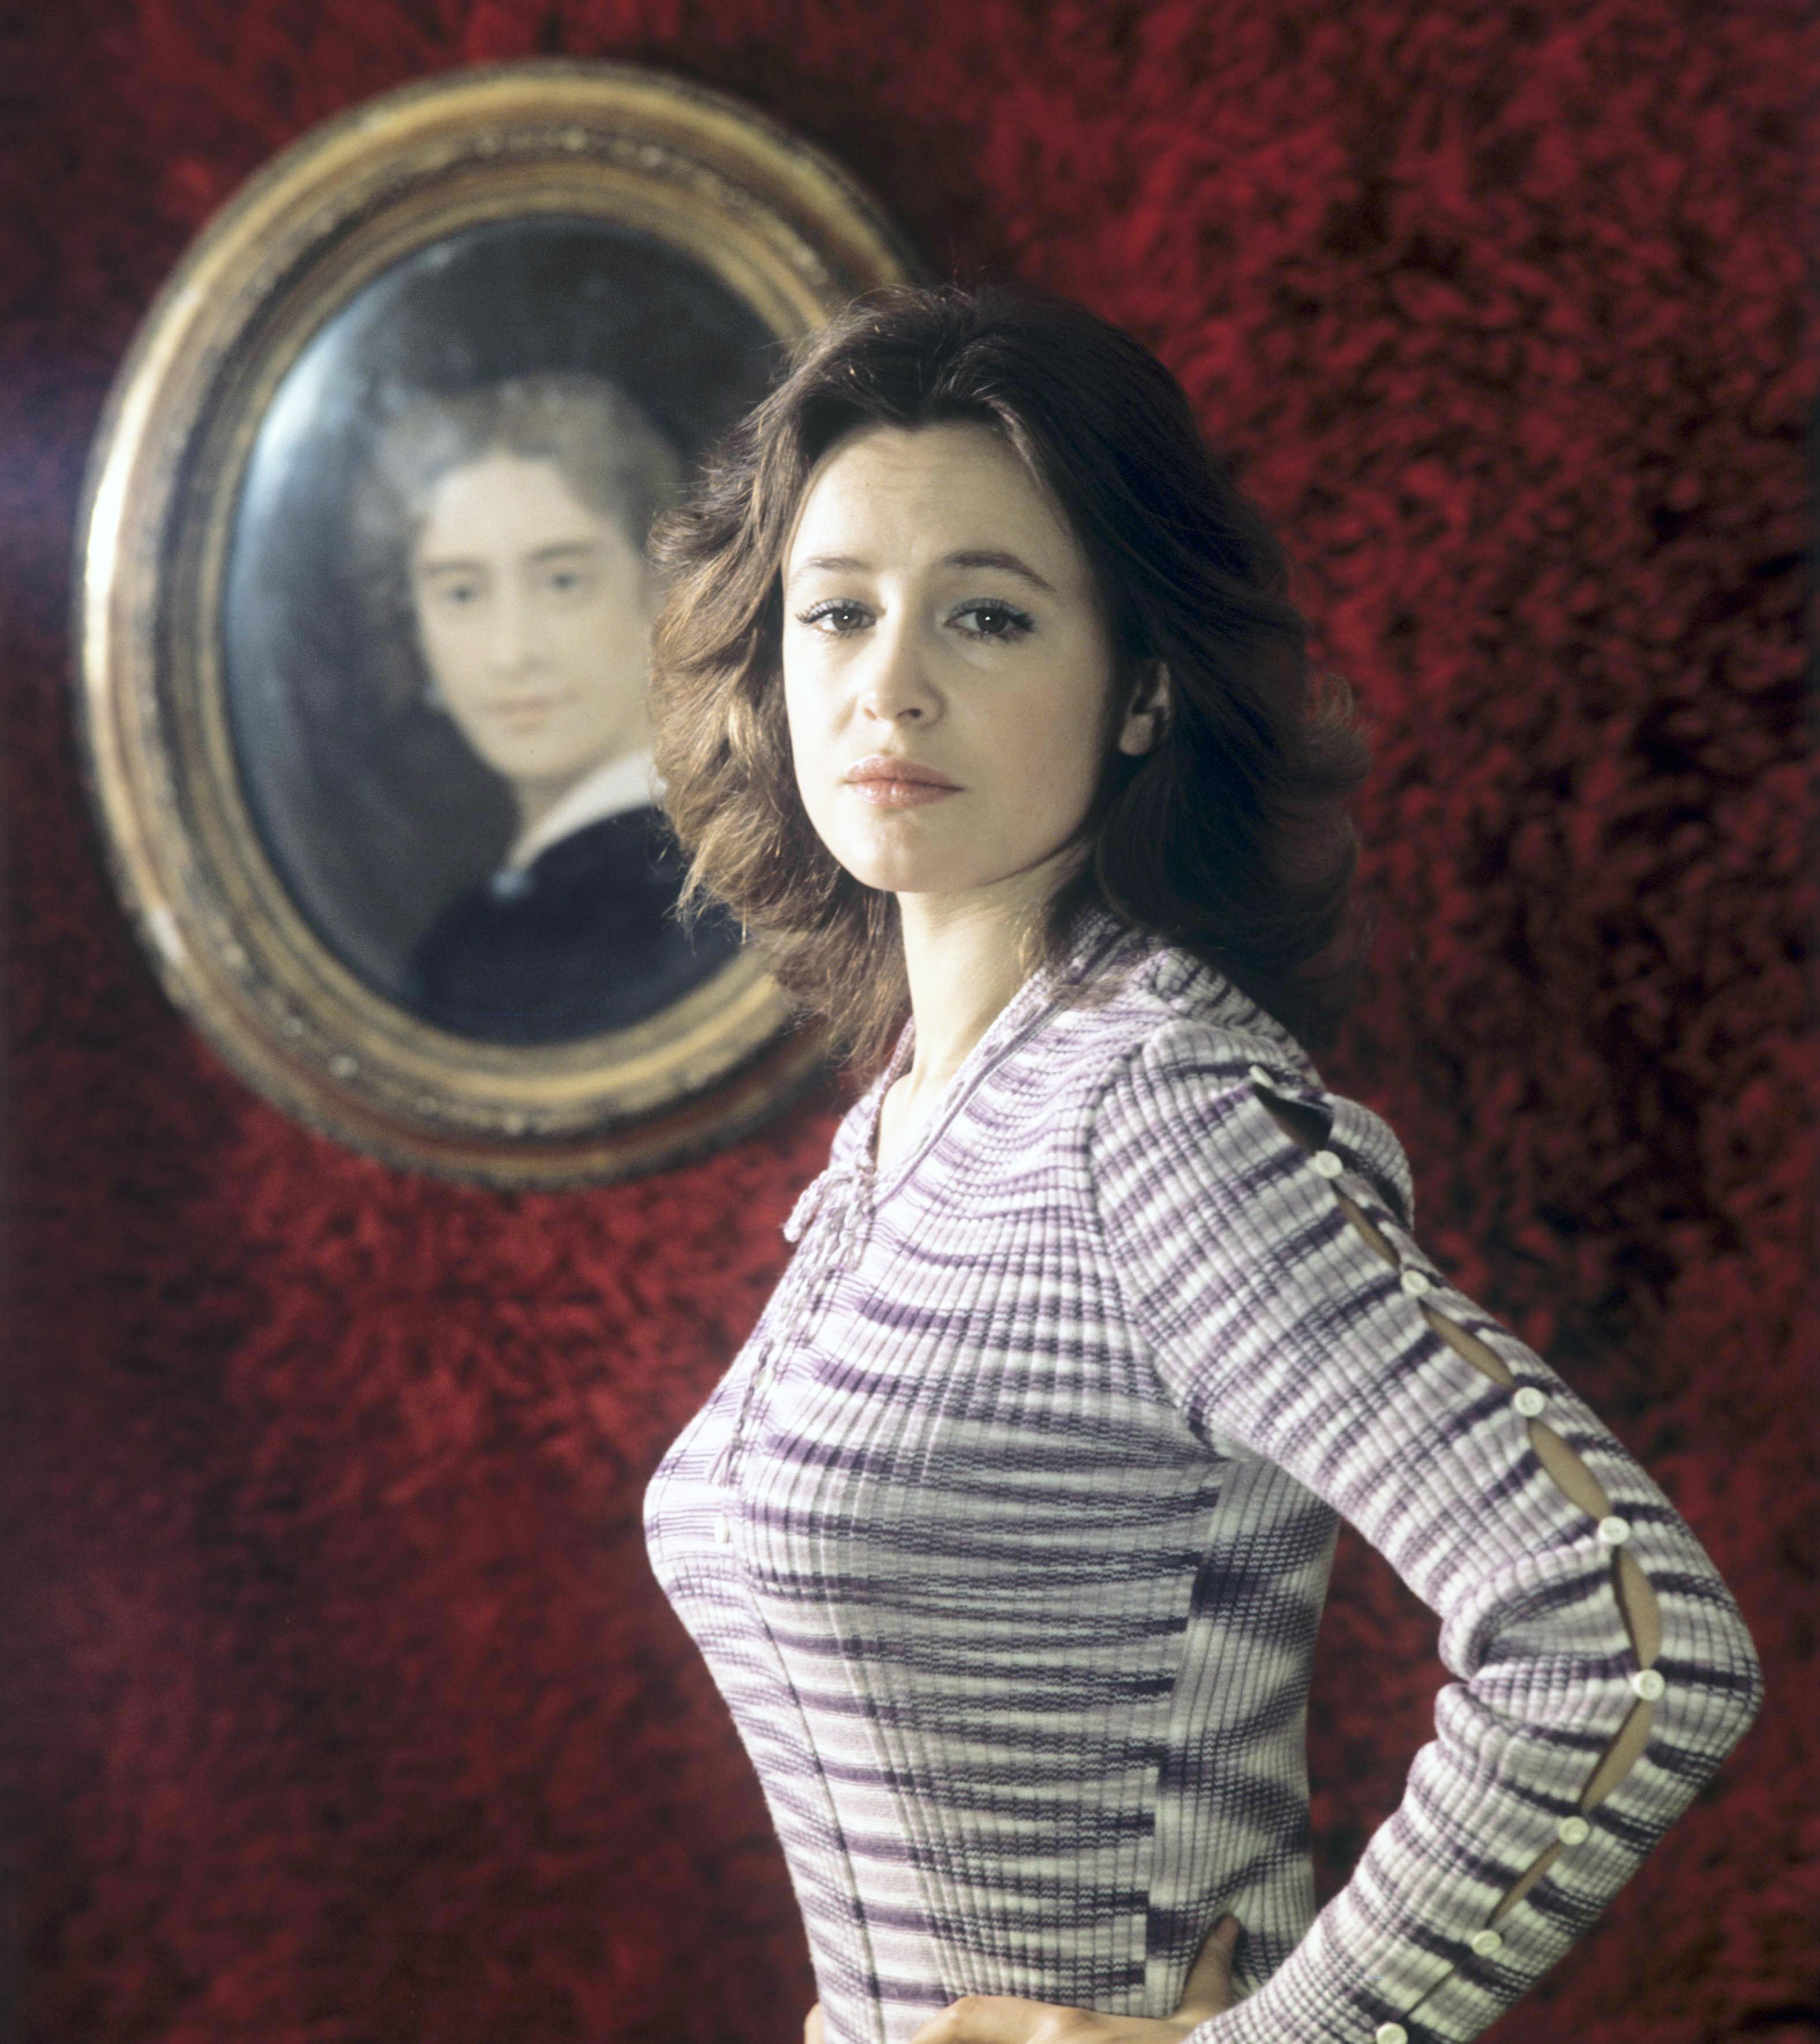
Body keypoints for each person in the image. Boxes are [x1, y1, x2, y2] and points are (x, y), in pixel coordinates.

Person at [639, 286, 1762, 2044]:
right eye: (837, 610)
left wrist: (1276, 2039)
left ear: (1142, 691)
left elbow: (1626, 1641)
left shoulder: (1149, 1110)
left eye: (988, 615)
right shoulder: (900, 1136)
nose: (889, 682)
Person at [352, 371, 744, 1044]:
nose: (512, 653)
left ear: (660, 592)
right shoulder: (504, 920)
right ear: (412, 621)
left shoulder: (671, 901)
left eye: (562, 582)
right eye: (461, 593)